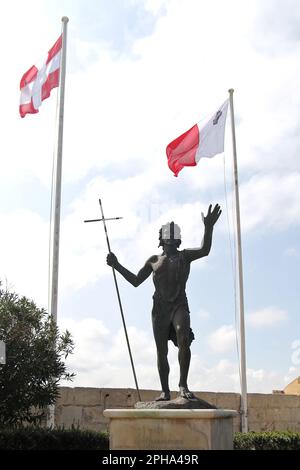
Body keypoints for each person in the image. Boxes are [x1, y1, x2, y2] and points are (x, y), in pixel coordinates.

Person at [106, 203, 221, 401]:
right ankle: (165, 391)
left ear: (177, 239)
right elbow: (135, 281)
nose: (170, 240)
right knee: (162, 351)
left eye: (173, 236)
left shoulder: (185, 256)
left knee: (183, 339)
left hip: (179, 305)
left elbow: (205, 249)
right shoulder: (153, 260)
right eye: (167, 236)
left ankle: (183, 385)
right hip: (159, 309)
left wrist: (208, 227)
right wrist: (116, 265)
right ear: (161, 239)